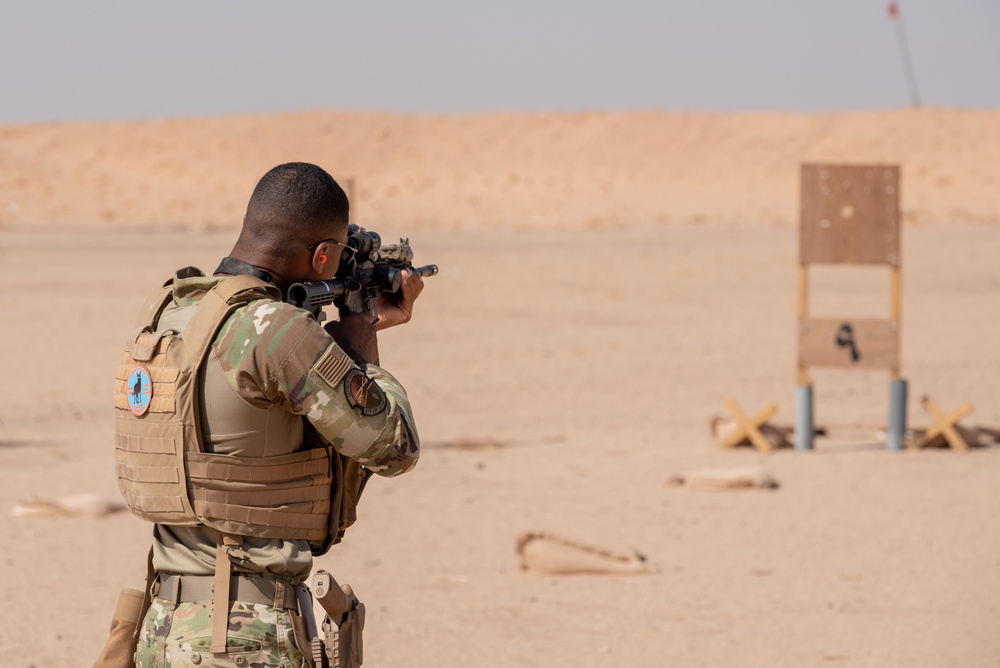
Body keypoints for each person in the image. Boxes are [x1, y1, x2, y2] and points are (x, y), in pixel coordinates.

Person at [110, 162, 423, 668]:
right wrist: (361, 347)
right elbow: (393, 447)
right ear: (323, 255)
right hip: (240, 632)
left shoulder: (173, 310)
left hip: (162, 623)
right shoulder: (277, 329)